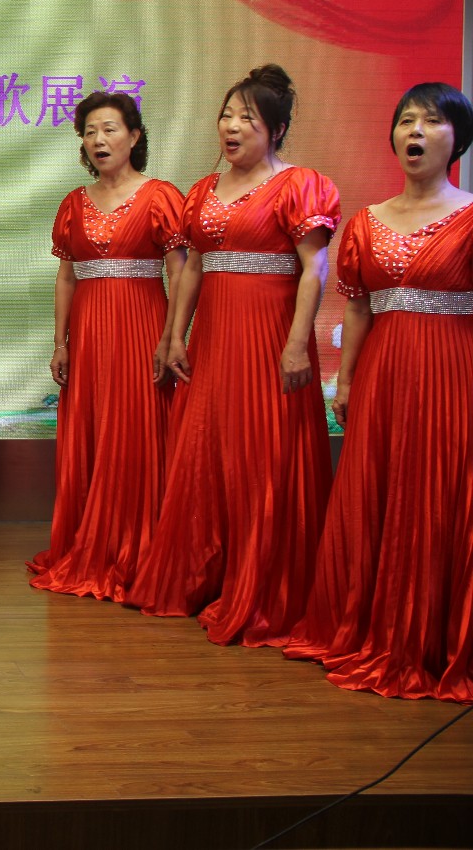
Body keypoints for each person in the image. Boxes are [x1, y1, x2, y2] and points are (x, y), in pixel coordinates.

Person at [128, 65, 339, 647]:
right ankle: (204, 578)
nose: (232, 126)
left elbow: (314, 269)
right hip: (214, 341)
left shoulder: (300, 185)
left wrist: (296, 343)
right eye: (226, 115)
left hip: (269, 338)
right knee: (205, 453)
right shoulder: (202, 191)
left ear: (277, 129)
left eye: (247, 117)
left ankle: (262, 588)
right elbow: (194, 266)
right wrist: (175, 334)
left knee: (263, 456)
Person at [284, 83, 473, 701]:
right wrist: (346, 379)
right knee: (378, 493)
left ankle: (435, 639)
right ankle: (371, 625)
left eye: (432, 121)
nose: (415, 130)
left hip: (453, 376)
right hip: (384, 376)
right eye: (406, 120)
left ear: (457, 140)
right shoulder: (366, 221)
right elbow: (359, 308)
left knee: (440, 495)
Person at [29, 92, 184, 601]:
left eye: (110, 129)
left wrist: (172, 336)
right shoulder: (73, 203)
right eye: (90, 131)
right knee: (93, 432)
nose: (99, 139)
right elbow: (66, 277)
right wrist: (60, 342)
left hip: (143, 326)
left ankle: (143, 549)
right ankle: (92, 543)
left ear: (134, 136)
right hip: (90, 334)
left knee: (139, 431)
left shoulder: (161, 196)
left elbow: (181, 272)